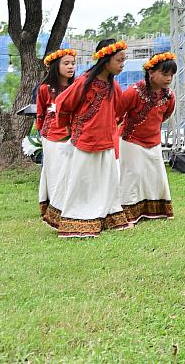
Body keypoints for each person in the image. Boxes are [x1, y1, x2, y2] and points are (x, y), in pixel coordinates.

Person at [54, 39, 129, 238]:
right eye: (119, 60)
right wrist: (71, 128)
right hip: (85, 140)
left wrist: (110, 125)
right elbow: (63, 103)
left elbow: (119, 110)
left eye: (124, 60)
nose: (123, 64)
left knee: (106, 181)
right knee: (84, 181)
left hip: (105, 141)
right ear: (106, 60)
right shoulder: (84, 82)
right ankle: (77, 218)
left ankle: (107, 215)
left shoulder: (114, 86)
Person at [118, 52, 177, 224]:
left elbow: (165, 115)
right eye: (165, 74)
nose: (169, 78)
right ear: (151, 72)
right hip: (131, 140)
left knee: (156, 176)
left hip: (154, 141)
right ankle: (127, 213)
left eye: (171, 75)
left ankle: (155, 210)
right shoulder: (133, 92)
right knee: (133, 175)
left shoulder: (169, 96)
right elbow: (118, 112)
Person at [37, 48, 77, 228]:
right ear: (56, 66)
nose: (71, 67)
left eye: (73, 63)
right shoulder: (45, 89)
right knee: (55, 173)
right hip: (51, 137)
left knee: (71, 173)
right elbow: (40, 115)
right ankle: (55, 209)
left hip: (73, 137)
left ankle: (71, 207)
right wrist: (44, 134)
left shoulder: (76, 88)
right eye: (66, 63)